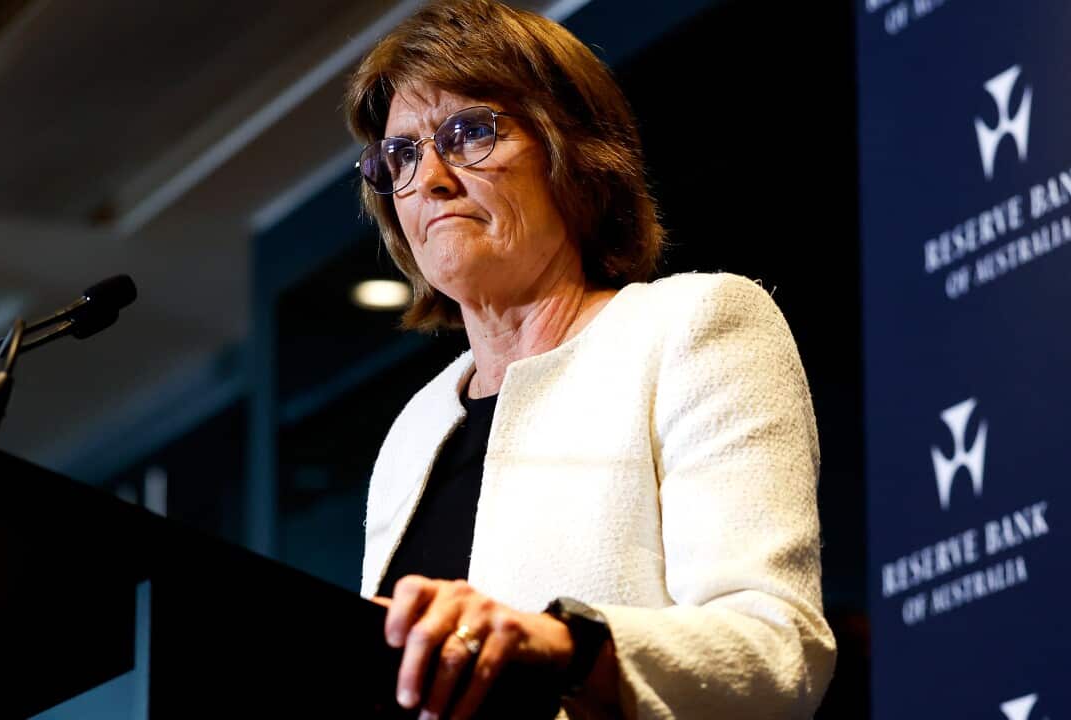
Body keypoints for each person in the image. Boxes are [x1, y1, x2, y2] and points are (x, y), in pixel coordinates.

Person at [345, 1, 836, 717]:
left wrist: (564, 647)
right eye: (403, 155)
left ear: (570, 151)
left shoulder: (691, 326)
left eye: (470, 133)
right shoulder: (415, 432)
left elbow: (776, 651)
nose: (432, 179)